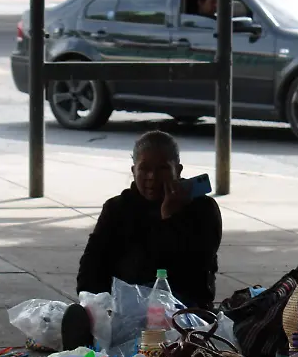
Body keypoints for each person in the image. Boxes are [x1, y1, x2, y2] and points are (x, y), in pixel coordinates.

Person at [76, 131, 223, 309]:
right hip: (124, 307)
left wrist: (169, 217)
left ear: (178, 170)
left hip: (182, 306)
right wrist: (95, 305)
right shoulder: (118, 208)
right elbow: (91, 264)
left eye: (162, 169)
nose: (152, 177)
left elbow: (192, 268)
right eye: (144, 169)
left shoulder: (203, 208)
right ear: (133, 170)